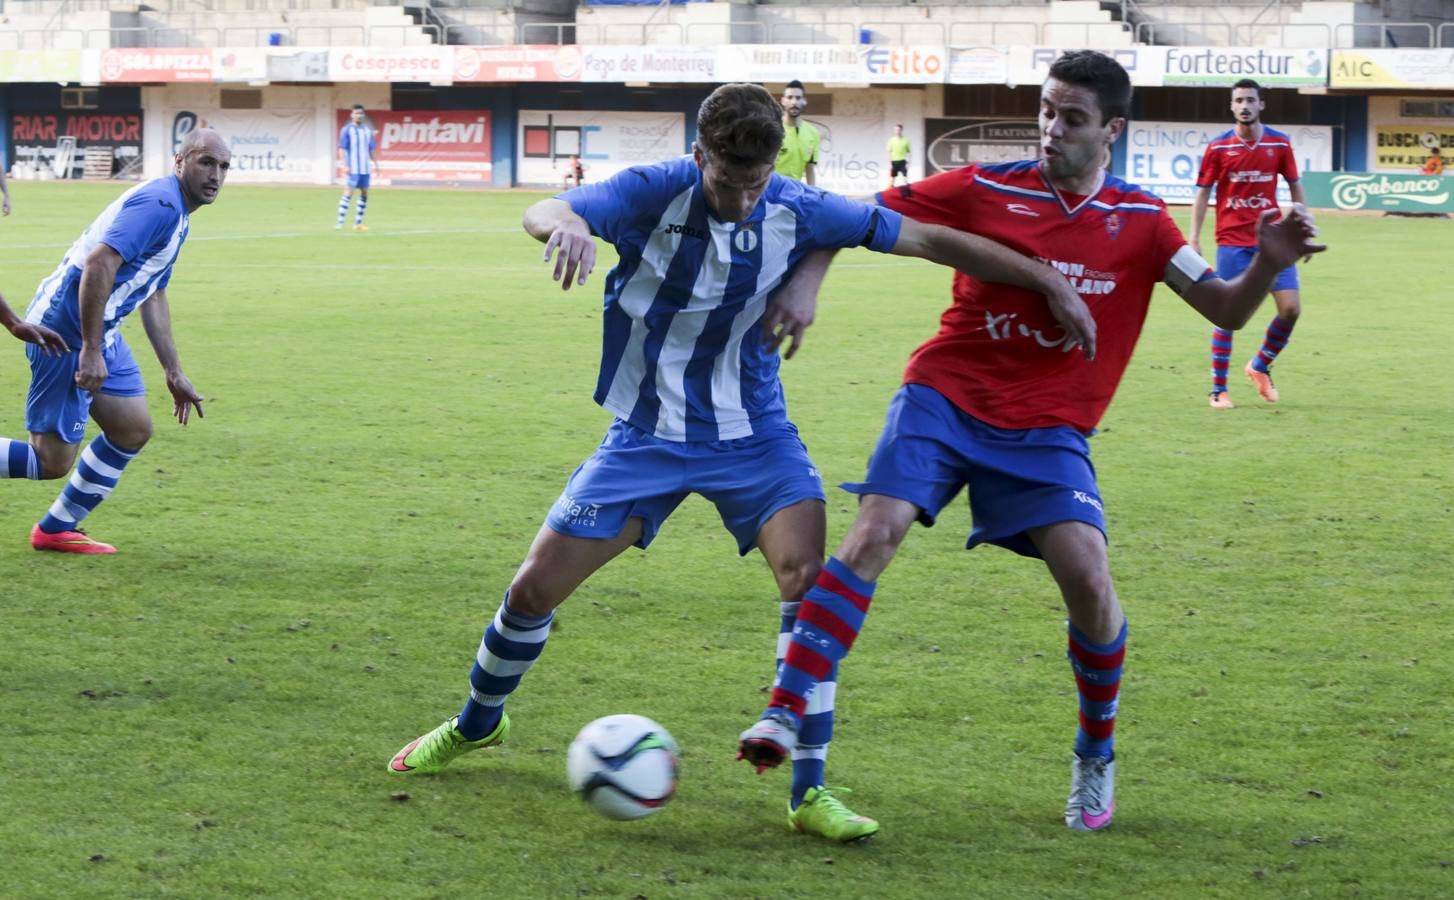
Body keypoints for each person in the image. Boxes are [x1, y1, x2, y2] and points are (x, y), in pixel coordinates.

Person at [386, 83, 1092, 844]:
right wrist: (565, 228)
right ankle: (476, 723)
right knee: (532, 589)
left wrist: (1046, 278)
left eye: (757, 184)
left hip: (757, 438)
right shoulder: (653, 192)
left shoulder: (794, 203)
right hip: (646, 436)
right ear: (700, 158)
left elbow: (926, 239)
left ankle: (809, 789)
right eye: (730, 182)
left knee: (809, 583)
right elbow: (547, 210)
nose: (746, 199)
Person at [737, 51, 1325, 834]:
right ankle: (782, 710)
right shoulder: (987, 186)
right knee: (876, 530)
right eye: (1047, 111)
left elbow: (1224, 310)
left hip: (1049, 429)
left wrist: (1268, 267)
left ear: (1113, 128)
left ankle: (1094, 755)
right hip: (945, 397)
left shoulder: (1143, 221)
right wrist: (808, 282)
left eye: (1072, 117)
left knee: (1089, 580)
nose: (1052, 129)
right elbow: (849, 216)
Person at [0, 129, 229, 554]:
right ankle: (54, 529)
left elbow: (154, 293)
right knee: (50, 460)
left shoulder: (177, 213)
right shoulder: (161, 205)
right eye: (206, 162)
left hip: (97, 331)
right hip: (63, 333)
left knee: (131, 429)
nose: (215, 174)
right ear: (180, 162)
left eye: (223, 167)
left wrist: (173, 371)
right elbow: (98, 264)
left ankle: (55, 529)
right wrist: (88, 349)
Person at [1191, 79, 1306, 408]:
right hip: (1232, 243)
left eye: (1250, 100)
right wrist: (1194, 238)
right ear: (1232, 106)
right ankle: (1218, 390)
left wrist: (1301, 229)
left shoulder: (1280, 144)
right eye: (1238, 100)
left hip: (1271, 243)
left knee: (1291, 309)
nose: (1244, 105)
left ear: (1261, 104)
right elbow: (1202, 195)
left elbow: (1296, 188)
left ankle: (1259, 366)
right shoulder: (1218, 148)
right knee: (1226, 316)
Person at [336, 105, 379, 232]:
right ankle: (339, 223)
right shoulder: (346, 130)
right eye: (356, 113)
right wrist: (345, 165)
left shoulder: (367, 131)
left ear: (363, 115)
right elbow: (342, 148)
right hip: (353, 168)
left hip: (365, 168)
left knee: (364, 193)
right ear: (352, 115)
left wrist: (376, 165)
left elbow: (371, 149)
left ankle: (358, 224)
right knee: (348, 193)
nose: (359, 115)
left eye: (361, 113)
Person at [775, 80, 819, 185]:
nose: (794, 102)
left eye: (798, 98)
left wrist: (813, 195)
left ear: (804, 101)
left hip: (794, 193)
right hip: (770, 192)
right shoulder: (773, 128)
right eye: (790, 97)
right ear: (783, 101)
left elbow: (810, 169)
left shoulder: (813, 133)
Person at [887, 123, 911, 188]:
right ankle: (890, 192)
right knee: (892, 178)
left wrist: (908, 163)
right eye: (896, 130)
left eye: (898, 130)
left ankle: (907, 193)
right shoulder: (891, 140)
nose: (897, 131)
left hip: (902, 161)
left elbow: (909, 152)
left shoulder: (906, 140)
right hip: (894, 162)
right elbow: (889, 152)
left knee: (905, 178)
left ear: (901, 130)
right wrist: (890, 163)